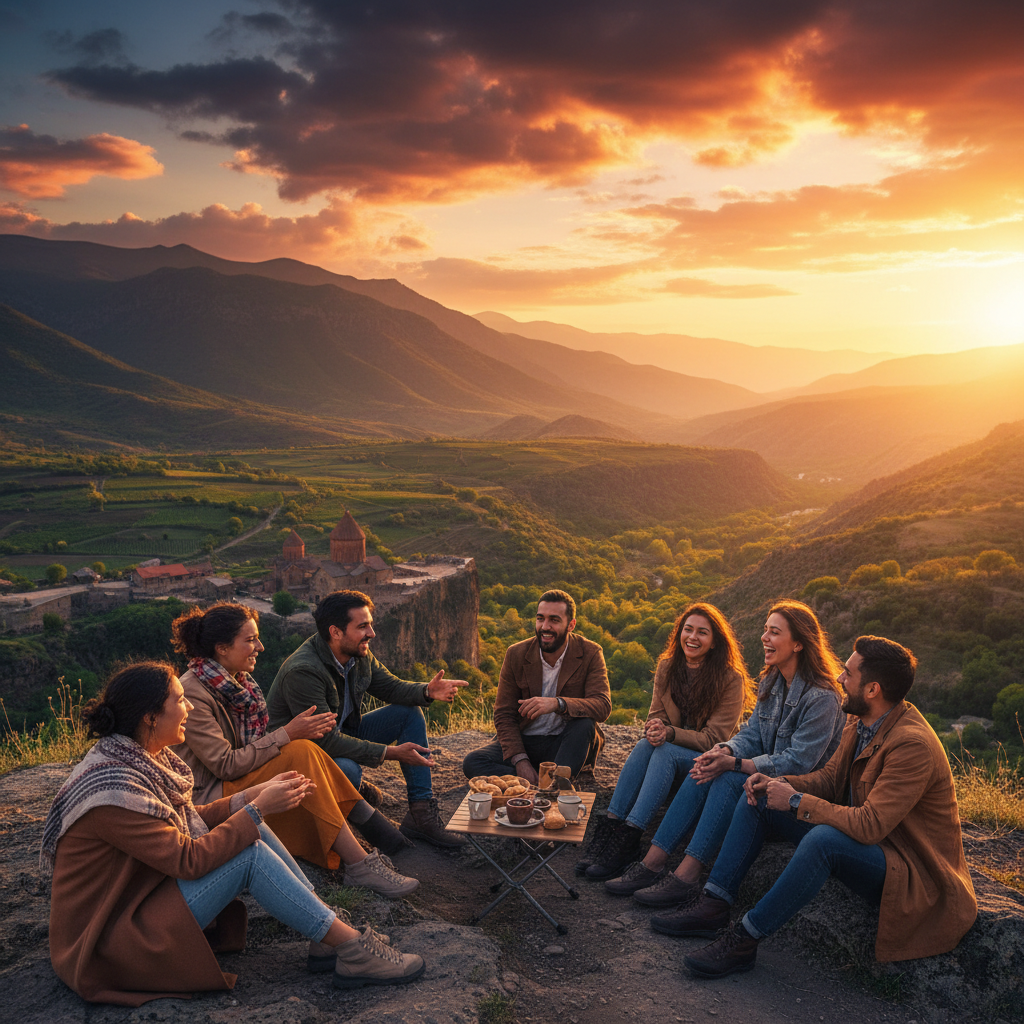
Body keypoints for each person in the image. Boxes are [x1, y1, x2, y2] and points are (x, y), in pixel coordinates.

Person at [41, 662, 426, 1006]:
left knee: (248, 827)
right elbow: (187, 860)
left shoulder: (137, 758)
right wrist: (259, 810)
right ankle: (352, 950)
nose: (188, 706)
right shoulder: (117, 791)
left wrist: (248, 798)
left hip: (137, 902)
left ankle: (326, 929)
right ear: (150, 718)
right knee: (249, 852)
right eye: (179, 700)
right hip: (110, 942)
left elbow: (186, 822)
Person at [672, 635, 978, 978]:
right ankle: (713, 903)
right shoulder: (861, 718)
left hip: (908, 867)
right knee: (759, 799)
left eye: (847, 673)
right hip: (873, 841)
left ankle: (744, 939)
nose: (840, 679)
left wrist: (795, 800)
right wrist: (782, 785)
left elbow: (870, 825)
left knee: (823, 842)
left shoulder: (911, 744)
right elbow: (831, 780)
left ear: (873, 689)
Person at [171, 603, 416, 895]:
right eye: (250, 640)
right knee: (299, 750)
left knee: (302, 749)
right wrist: (287, 733)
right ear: (222, 648)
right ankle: (362, 860)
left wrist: (291, 735)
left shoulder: (236, 684)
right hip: (213, 797)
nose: (260, 647)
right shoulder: (195, 694)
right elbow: (226, 765)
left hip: (235, 779)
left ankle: (367, 843)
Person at [617, 600, 847, 904]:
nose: (764, 637)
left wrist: (736, 762)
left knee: (726, 776)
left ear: (799, 645)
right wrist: (724, 749)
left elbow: (799, 762)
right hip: (764, 779)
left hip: (796, 797)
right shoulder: (773, 680)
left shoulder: (823, 698)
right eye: (765, 630)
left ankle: (686, 876)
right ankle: (652, 863)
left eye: (774, 632)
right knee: (706, 765)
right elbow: (752, 732)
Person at [267, 590, 468, 848]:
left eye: (370, 624)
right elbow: (326, 742)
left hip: (341, 737)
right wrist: (391, 752)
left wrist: (426, 691)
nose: (371, 633)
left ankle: (421, 814)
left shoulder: (356, 654)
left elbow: (390, 687)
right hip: (307, 755)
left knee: (408, 713)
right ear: (336, 632)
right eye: (362, 626)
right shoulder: (305, 671)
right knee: (347, 770)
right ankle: (352, 797)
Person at [578, 603, 754, 882]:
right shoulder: (667, 667)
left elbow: (714, 739)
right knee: (644, 745)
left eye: (702, 633)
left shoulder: (730, 679)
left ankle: (629, 840)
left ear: (714, 642)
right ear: (679, 633)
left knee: (665, 752)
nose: (693, 638)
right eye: (688, 630)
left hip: (701, 762)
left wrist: (669, 734)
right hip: (668, 758)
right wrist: (656, 729)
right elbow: (655, 718)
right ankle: (610, 832)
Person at [462, 589, 611, 786]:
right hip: (526, 743)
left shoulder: (590, 652)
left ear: (571, 625)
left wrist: (558, 704)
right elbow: (504, 713)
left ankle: (552, 783)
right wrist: (520, 761)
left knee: (585, 725)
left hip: (564, 743)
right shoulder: (516, 654)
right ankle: (537, 781)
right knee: (473, 762)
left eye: (554, 620)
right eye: (540, 619)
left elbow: (602, 705)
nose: (545, 627)